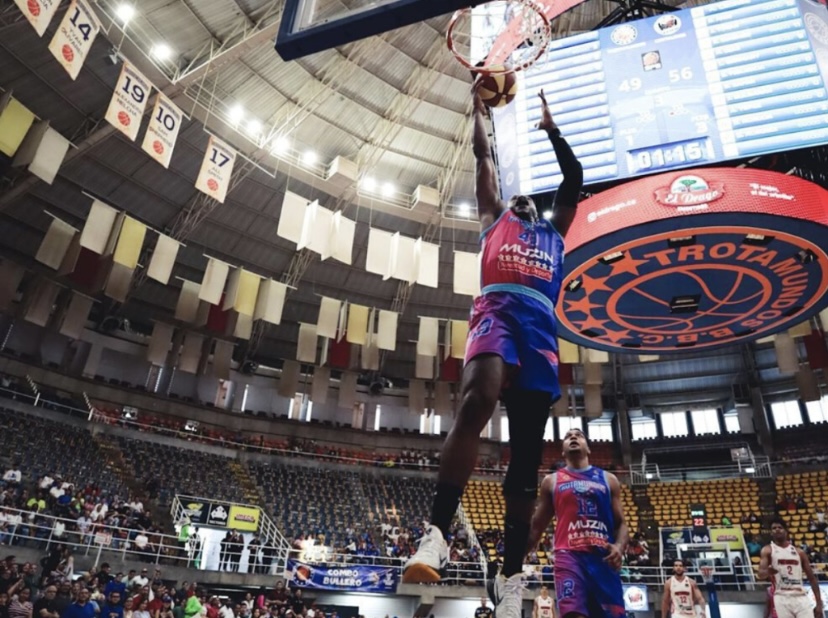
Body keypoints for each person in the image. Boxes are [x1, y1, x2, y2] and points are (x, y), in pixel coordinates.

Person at [402, 72, 583, 607]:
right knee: (477, 399)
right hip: (499, 311)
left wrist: (551, 130)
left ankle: (509, 576)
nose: (523, 202)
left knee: (526, 454)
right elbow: (484, 160)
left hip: (540, 324)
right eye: (517, 198)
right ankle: (435, 535)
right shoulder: (492, 217)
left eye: (531, 201)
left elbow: (573, 176)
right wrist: (478, 110)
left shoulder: (555, 231)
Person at [527, 429, 628, 618]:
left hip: (603, 559)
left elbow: (621, 523)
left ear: (588, 449)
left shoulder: (609, 480)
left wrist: (619, 547)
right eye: (567, 436)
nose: (573, 437)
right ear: (562, 452)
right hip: (569, 557)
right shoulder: (552, 481)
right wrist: (514, 562)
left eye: (579, 435)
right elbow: (536, 526)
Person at [758, 518, 822, 618]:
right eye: (774, 528)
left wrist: (819, 603)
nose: (777, 530)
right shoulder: (768, 550)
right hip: (781, 595)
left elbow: (812, 579)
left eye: (780, 527)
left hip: (800, 594)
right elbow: (760, 574)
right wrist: (768, 571)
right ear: (771, 533)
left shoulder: (799, 552)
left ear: (786, 531)